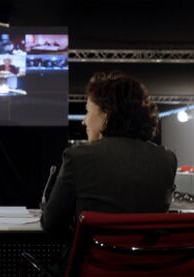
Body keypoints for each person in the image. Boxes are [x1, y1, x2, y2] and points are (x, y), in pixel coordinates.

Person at [40, 72, 177, 276]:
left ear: (106, 114)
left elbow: (50, 224)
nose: (84, 121)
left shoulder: (78, 157)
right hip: (145, 270)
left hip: (91, 269)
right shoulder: (167, 160)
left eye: (87, 112)